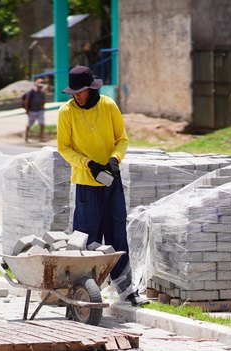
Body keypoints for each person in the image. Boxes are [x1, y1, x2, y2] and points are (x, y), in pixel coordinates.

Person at [56, 65, 148, 307]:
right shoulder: (66, 112)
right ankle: (81, 291)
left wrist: (114, 160)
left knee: (118, 235)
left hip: (111, 182)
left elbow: (122, 139)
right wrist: (89, 164)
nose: (76, 96)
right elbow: (64, 148)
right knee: (87, 239)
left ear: (90, 89)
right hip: (86, 183)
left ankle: (127, 290)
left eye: (80, 91)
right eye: (73, 92)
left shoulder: (108, 105)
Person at [24, 78, 46, 143]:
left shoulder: (42, 92)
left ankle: (41, 137)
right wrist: (27, 110)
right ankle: (26, 136)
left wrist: (43, 107)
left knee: (42, 124)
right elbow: (27, 101)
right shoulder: (31, 92)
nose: (41, 85)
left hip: (40, 110)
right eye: (40, 83)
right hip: (32, 111)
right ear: (36, 83)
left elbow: (43, 100)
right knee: (29, 124)